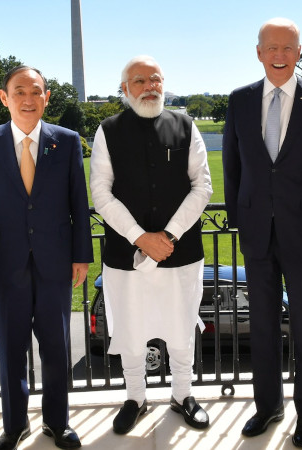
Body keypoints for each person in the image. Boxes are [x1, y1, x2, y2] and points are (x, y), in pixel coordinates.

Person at [222, 18, 302, 448]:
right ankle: (267, 406)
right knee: (260, 327)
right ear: (259, 52)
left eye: (288, 48)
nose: (279, 55)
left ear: (299, 53)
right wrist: (240, 223)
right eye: (271, 47)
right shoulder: (239, 101)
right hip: (257, 235)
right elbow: (233, 169)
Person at [0, 65, 93, 450]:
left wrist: (81, 256)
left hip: (55, 263)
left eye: (36, 91)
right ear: (5, 97)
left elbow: (78, 204)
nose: (28, 99)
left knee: (56, 348)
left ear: (46, 97)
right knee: (10, 347)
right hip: (4, 266)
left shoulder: (67, 141)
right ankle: (14, 425)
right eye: (19, 91)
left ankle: (57, 422)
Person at [89, 55, 213, 435]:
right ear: (124, 89)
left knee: (179, 326)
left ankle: (183, 394)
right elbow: (101, 192)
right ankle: (135, 398)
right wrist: (141, 237)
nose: (149, 86)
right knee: (130, 328)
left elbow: (202, 186)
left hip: (182, 251)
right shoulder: (107, 130)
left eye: (155, 79)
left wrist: (169, 235)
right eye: (139, 80)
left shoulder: (186, 125)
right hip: (126, 255)